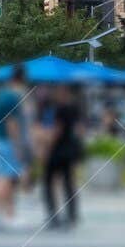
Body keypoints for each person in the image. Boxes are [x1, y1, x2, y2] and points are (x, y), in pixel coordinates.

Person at [0, 72, 28, 228]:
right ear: (19, 81)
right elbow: (12, 123)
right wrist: (18, 147)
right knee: (7, 179)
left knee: (1, 178)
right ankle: (9, 215)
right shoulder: (12, 98)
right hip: (8, 142)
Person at [44, 85, 85, 230]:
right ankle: (72, 215)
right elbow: (80, 130)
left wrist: (48, 147)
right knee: (69, 183)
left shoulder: (60, 109)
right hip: (70, 150)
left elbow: (57, 130)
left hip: (58, 151)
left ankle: (53, 215)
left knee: (48, 181)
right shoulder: (76, 108)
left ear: (62, 93)